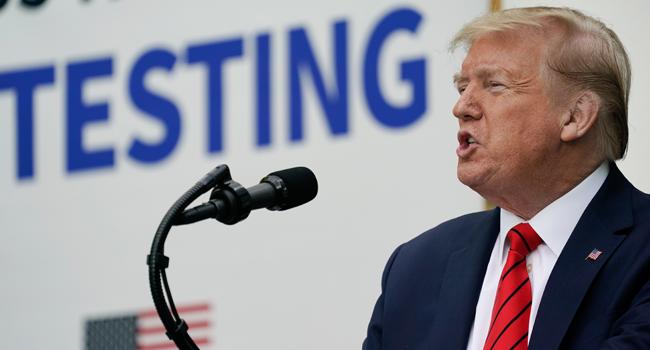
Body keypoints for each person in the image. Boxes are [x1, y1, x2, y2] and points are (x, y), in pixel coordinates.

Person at [363, 6, 650, 350]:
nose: (461, 107)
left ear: (575, 116)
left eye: (494, 85)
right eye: (462, 87)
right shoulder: (414, 268)